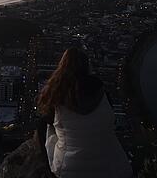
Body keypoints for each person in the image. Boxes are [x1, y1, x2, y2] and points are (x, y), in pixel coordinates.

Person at [37, 47, 133, 178]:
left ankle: (49, 168)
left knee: (47, 125)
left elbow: (44, 121)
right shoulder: (101, 93)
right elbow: (111, 120)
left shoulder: (58, 96)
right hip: (111, 167)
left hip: (68, 169)